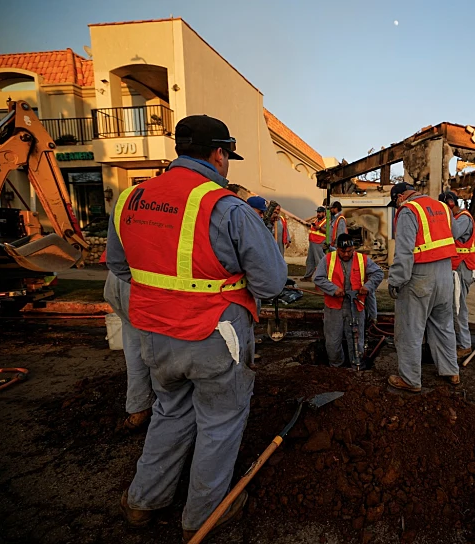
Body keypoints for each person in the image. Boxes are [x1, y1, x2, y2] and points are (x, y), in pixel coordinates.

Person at [108, 114, 287, 541]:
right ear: (219, 154)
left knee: (170, 411)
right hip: (214, 335)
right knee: (220, 420)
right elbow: (272, 282)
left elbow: (120, 267)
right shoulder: (226, 207)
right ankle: (204, 514)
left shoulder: (131, 198)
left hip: (155, 333)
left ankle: (143, 501)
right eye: (227, 156)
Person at [386, 183, 459, 392]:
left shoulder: (409, 210)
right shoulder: (442, 207)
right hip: (445, 274)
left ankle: (410, 380)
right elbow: (453, 233)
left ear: (400, 196)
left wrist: (396, 280)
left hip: (420, 277)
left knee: (410, 329)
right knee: (444, 326)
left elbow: (404, 252)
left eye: (396, 201)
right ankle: (451, 371)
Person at [313, 233, 384, 368]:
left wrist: (367, 287)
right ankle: (336, 367)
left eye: (349, 251)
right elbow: (318, 278)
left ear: (353, 248)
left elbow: (378, 273)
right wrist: (333, 289)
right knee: (333, 342)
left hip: (356, 306)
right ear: (337, 248)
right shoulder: (328, 259)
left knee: (357, 341)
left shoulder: (362, 259)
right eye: (342, 251)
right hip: (334, 308)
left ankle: (357, 368)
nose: (346, 254)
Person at [103, 270, 155, 431]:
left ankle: (139, 408)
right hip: (149, 283)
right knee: (162, 352)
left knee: (134, 344)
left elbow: (114, 257)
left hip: (120, 279)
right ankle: (167, 412)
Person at [439, 191, 475, 359]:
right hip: (455, 267)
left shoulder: (463, 218)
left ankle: (464, 344)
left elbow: (452, 234)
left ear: (451, 203)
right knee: (452, 306)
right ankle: (457, 341)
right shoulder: (456, 218)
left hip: (462, 268)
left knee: (458, 307)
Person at [303, 206, 327, 281]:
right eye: (317, 212)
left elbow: (328, 231)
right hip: (312, 242)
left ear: (324, 213)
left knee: (319, 261)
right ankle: (308, 276)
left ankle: (322, 277)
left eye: (320, 212)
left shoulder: (326, 221)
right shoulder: (316, 220)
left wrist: (319, 228)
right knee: (310, 261)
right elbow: (305, 221)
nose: (318, 214)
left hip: (319, 243)